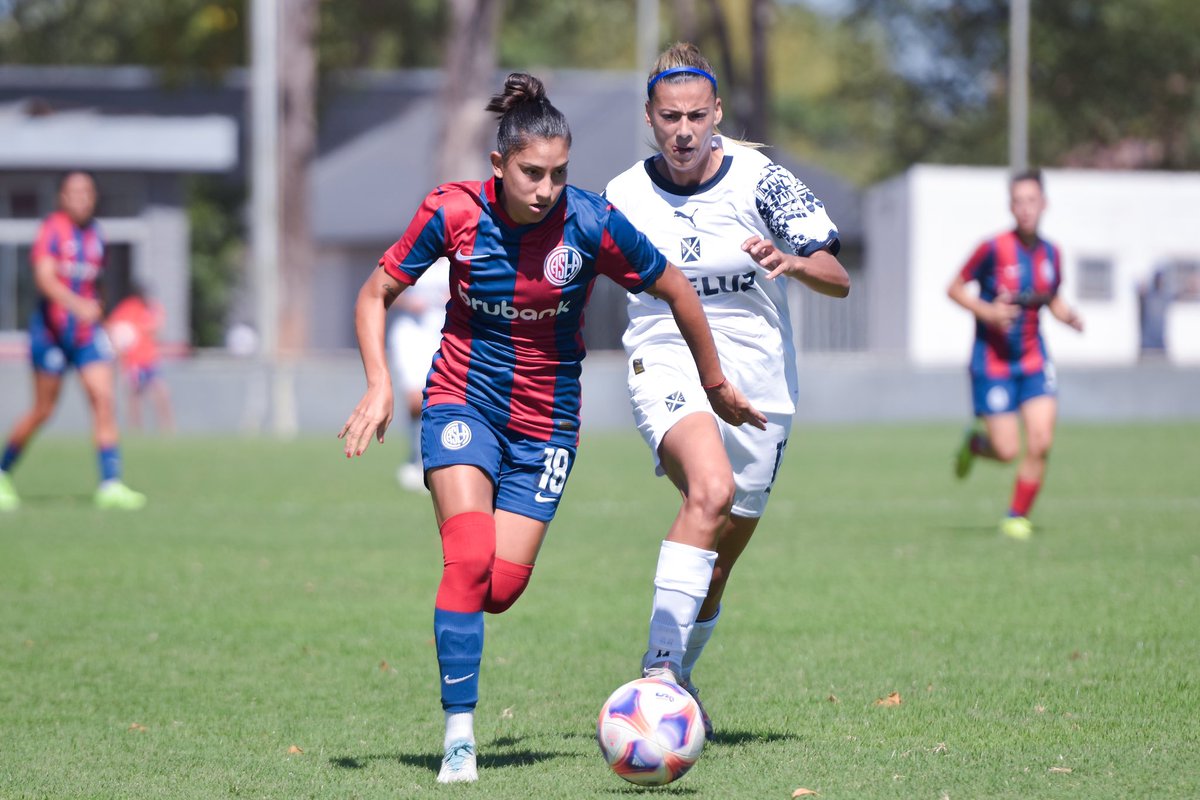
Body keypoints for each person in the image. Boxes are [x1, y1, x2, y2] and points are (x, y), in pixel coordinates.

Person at [337, 73, 762, 784]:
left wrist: (714, 382)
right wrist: (381, 384)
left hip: (547, 425)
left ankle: (467, 655)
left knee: (499, 588)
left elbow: (675, 288)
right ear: (498, 167)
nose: (546, 188)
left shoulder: (591, 223)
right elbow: (377, 290)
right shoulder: (452, 212)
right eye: (532, 173)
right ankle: (460, 737)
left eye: (559, 173)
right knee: (467, 560)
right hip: (461, 403)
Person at [603, 42, 850, 737]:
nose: (683, 130)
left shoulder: (760, 182)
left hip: (760, 382)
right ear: (650, 118)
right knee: (706, 493)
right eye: (669, 116)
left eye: (695, 116)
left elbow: (838, 274)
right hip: (667, 360)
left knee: (716, 563)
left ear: (717, 115)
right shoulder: (622, 196)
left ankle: (677, 676)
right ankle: (655, 676)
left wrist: (793, 262)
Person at [948, 168, 1084, 540]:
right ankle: (976, 444)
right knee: (1006, 450)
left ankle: (1016, 516)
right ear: (1011, 206)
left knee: (1041, 441)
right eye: (1018, 202)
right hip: (992, 363)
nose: (1025, 209)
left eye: (1031, 201)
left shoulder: (1052, 253)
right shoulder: (992, 248)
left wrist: (1067, 315)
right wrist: (989, 312)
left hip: (1034, 361)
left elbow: (1050, 296)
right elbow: (955, 289)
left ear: (1044, 204)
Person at [0, 171, 146, 512]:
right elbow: (44, 279)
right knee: (43, 410)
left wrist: (105, 322)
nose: (81, 197)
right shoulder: (53, 230)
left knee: (103, 399)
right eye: (74, 192)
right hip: (50, 336)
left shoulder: (97, 235)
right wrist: (76, 305)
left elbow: (98, 288)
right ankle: (2, 471)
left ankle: (111, 483)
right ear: (62, 197)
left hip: (85, 337)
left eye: (87, 191)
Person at [385, 257, 450, 492]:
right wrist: (408, 302)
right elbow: (385, 287)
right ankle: (416, 458)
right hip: (412, 333)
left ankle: (436, 462)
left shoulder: (460, 257)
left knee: (438, 399)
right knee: (415, 400)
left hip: (444, 331)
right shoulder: (416, 256)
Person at [106, 281, 175, 434]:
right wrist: (118, 346)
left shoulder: (153, 308)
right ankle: (136, 430)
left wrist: (153, 325)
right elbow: (113, 328)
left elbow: (159, 329)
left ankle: (168, 428)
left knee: (161, 392)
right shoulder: (127, 308)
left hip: (150, 359)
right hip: (133, 361)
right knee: (134, 396)